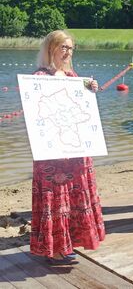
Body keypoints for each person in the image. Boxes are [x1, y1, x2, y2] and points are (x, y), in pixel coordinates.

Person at [30, 30, 105, 264]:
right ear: (51, 48)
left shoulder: (72, 75)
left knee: (74, 197)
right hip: (52, 155)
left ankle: (69, 243)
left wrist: (89, 88)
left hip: (74, 151)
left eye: (70, 48)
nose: (68, 52)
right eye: (63, 47)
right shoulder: (40, 77)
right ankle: (55, 248)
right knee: (56, 198)